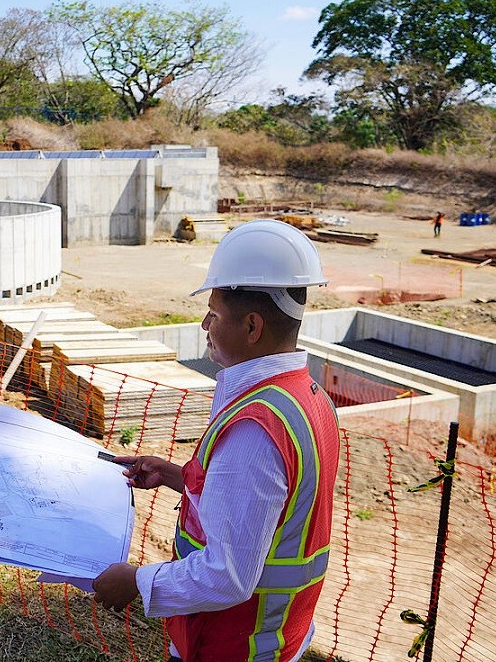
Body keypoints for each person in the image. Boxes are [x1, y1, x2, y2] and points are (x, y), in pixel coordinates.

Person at [92, 219, 341, 662]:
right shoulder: (307, 396)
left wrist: (136, 581)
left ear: (251, 326)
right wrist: (177, 476)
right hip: (278, 636)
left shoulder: (256, 429)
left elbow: (228, 575)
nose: (204, 324)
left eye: (214, 313)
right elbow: (265, 512)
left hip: (233, 646)